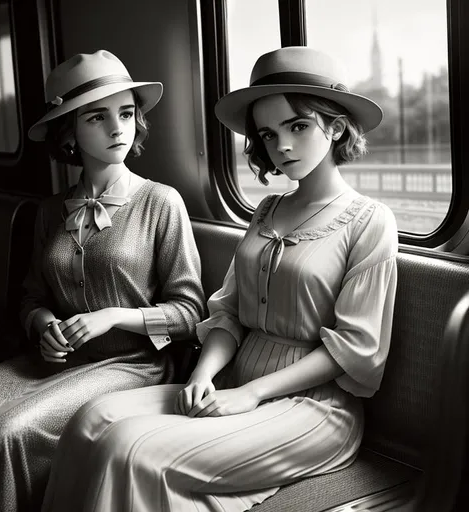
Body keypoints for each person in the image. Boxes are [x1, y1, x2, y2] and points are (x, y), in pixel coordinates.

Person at [41, 46, 398, 512]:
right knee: (91, 419)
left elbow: (354, 347)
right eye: (269, 134)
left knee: (130, 449)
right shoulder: (267, 211)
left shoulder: (370, 221)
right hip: (230, 379)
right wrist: (204, 374)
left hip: (313, 407)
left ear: (334, 126)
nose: (282, 146)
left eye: (298, 126)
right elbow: (227, 313)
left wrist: (250, 394)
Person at [0, 49, 206, 512]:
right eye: (98, 117)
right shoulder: (51, 211)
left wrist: (111, 317)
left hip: (135, 366)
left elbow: (191, 314)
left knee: (4, 431)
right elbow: (31, 296)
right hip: (58, 363)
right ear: (69, 131)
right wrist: (44, 324)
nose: (118, 129)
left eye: (127, 113)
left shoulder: (160, 202)